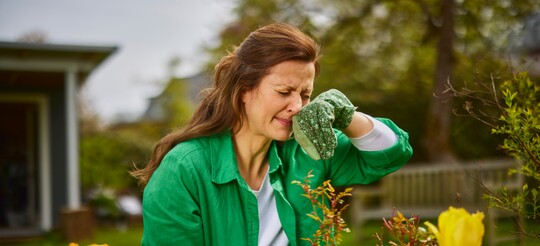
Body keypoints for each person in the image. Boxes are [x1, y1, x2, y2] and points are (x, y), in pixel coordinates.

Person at [131, 22, 413, 246]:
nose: (297, 107)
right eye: (283, 92)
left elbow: (389, 155)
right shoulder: (184, 170)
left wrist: (346, 114)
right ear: (243, 91)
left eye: (305, 95)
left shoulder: (305, 149)